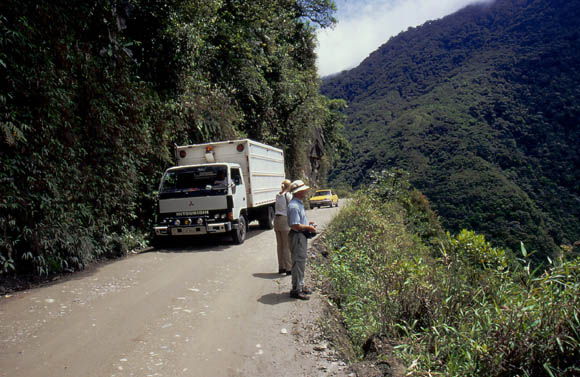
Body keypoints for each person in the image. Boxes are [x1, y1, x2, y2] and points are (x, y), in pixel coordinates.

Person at [287, 180, 317, 300]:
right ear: (298, 192)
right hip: (297, 236)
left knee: (300, 263)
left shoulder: (297, 204)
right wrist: (308, 227)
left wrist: (307, 223)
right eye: (303, 190)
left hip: (299, 236)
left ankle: (300, 285)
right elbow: (294, 225)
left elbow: (298, 222)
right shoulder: (294, 206)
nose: (305, 192)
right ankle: (297, 290)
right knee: (298, 263)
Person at [274, 179, 293, 275]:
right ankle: (289, 268)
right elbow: (291, 208)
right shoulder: (288, 196)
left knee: (280, 246)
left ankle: (281, 267)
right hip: (284, 220)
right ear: (288, 186)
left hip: (276, 221)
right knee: (287, 246)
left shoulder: (278, 195)